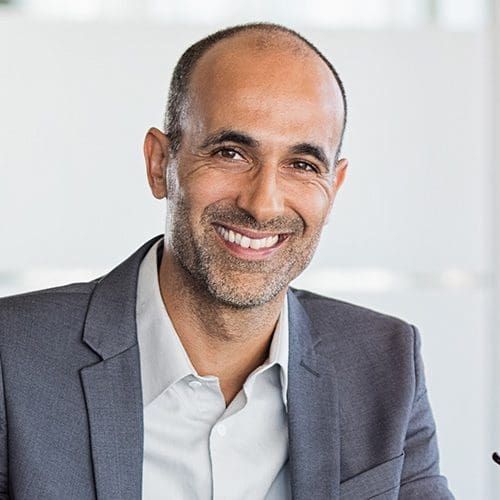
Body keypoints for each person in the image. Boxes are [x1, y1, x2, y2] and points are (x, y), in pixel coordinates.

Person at [0, 23, 454, 500]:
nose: (262, 205)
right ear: (160, 164)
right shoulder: (12, 359)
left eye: (302, 165)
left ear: (333, 187)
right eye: (230, 152)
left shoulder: (385, 362)